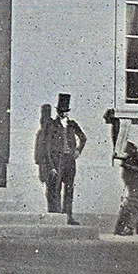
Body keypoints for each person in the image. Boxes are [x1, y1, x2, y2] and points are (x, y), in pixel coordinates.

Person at [44, 93, 86, 224]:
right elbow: (46, 147)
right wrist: (50, 166)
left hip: (70, 161)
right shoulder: (51, 125)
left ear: (68, 112)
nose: (63, 114)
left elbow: (83, 138)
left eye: (65, 111)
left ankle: (68, 216)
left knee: (69, 188)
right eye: (61, 111)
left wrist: (78, 150)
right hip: (57, 161)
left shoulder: (72, 124)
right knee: (55, 188)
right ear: (57, 111)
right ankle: (57, 217)